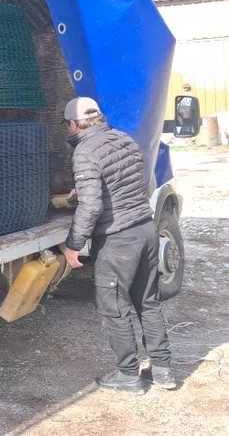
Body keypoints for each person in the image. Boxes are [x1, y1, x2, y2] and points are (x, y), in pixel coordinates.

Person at [58, 97, 176, 392]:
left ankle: (128, 374)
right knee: (148, 302)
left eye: (67, 126)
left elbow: (92, 206)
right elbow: (128, 183)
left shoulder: (85, 151)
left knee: (114, 308)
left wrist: (73, 245)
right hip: (146, 230)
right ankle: (163, 371)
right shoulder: (124, 139)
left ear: (73, 124)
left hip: (118, 240)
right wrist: (85, 188)